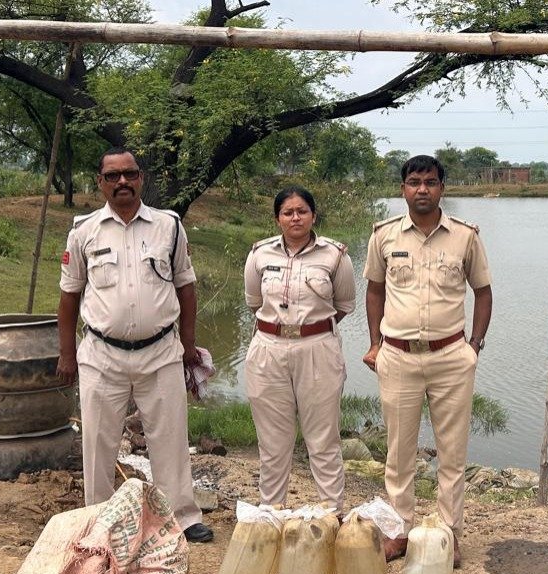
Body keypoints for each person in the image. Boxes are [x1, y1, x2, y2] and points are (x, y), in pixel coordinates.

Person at [56, 147, 212, 543]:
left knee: (171, 437)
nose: (122, 181)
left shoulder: (169, 227)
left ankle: (182, 515)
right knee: (97, 441)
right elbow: (70, 295)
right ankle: (99, 518)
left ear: (141, 178)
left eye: (129, 174)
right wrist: (66, 354)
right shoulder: (83, 231)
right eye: (112, 176)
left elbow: (186, 288)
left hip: (160, 351)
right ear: (101, 183)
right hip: (101, 354)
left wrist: (188, 345)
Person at [363, 155, 493, 568]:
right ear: (403, 188)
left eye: (431, 182)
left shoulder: (465, 237)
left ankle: (447, 534)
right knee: (399, 452)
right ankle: (399, 530)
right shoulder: (384, 236)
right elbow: (374, 291)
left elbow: (483, 292)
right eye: (414, 182)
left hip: (451, 356)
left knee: (452, 452)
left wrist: (474, 345)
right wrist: (374, 344)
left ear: (442, 188)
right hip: (398, 356)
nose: (423, 189)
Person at [243, 186, 355, 510]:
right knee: (273, 443)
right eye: (288, 212)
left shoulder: (335, 255)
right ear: (277, 218)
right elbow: (254, 302)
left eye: (302, 211)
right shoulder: (259, 254)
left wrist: (309, 328)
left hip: (318, 349)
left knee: (323, 439)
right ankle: (270, 515)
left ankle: (331, 515)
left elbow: (344, 304)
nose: (295, 217)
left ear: (313, 216)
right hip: (268, 350)